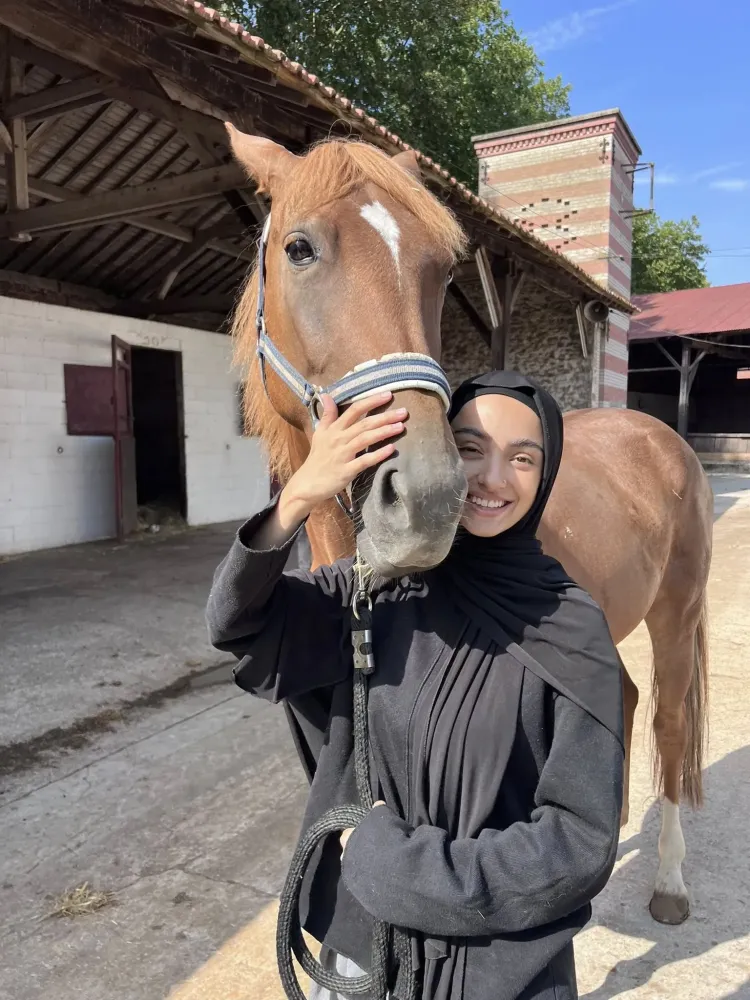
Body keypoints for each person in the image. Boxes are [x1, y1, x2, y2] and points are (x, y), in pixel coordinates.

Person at [206, 371, 624, 1000]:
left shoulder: (571, 627)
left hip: (498, 972)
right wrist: (299, 497)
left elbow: (580, 841)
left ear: (546, 476)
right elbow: (239, 624)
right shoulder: (380, 589)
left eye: (522, 458)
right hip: (362, 961)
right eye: (469, 449)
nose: (492, 478)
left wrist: (400, 868)